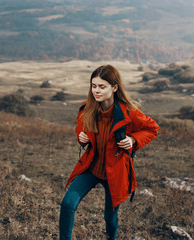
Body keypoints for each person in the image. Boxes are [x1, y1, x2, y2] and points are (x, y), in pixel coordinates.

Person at [59, 65, 160, 239]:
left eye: (102, 86)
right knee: (67, 204)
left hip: (116, 172)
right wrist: (81, 136)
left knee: (110, 219)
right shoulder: (88, 108)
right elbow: (81, 126)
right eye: (94, 86)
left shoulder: (129, 112)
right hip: (91, 167)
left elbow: (152, 128)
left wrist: (133, 140)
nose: (96, 90)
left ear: (114, 87)